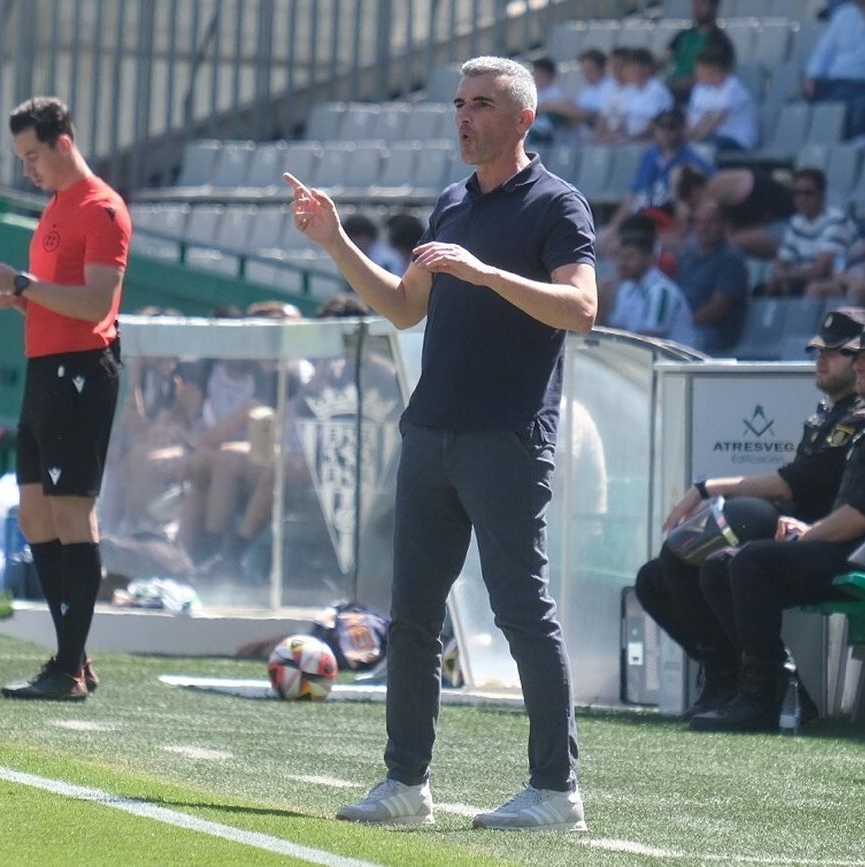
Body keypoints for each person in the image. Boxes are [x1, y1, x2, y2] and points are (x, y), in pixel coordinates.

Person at [284, 55, 595, 831]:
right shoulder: (451, 203)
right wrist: (334, 242)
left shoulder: (558, 203)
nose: (464, 116)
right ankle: (406, 783)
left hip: (506, 435)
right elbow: (402, 307)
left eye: (482, 104)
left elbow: (582, 309)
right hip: (432, 430)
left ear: (522, 118)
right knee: (414, 618)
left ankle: (557, 792)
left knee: (523, 611)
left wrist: (486, 273)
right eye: (459, 102)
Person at [691, 313, 865, 731]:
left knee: (750, 563)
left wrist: (806, 535)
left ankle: (762, 700)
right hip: (856, 552)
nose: (859, 364)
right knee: (720, 565)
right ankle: (777, 686)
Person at [0, 96, 131, 702]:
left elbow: (95, 305)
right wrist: (19, 299)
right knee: (35, 515)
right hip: (45, 369)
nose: (28, 169)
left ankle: (68, 666)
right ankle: (74, 658)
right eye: (21, 158)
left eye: (33, 155)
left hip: (81, 372)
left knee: (70, 513)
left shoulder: (103, 208)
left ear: (64, 143)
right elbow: (57, 296)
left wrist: (24, 285)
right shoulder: (57, 206)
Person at [637, 309, 865, 720]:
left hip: (825, 540)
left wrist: (710, 487)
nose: (822, 360)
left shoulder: (862, 420)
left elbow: (793, 482)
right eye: (820, 351)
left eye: (836, 353)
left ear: (862, 361)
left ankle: (757, 685)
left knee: (719, 564)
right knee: (657, 576)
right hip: (791, 530)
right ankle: (724, 674)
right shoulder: (825, 415)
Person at [802, 0, 865, 139]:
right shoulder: (843, 15)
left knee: (863, 110)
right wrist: (811, 76)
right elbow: (824, 50)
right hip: (832, 82)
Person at [602, 219, 697, 346]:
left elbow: (652, 341)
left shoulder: (662, 291)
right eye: (621, 257)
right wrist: (603, 300)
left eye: (630, 257)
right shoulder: (627, 288)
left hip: (676, 362)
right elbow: (615, 330)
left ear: (650, 258)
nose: (623, 263)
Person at [764, 168, 857, 297]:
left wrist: (785, 276)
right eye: (797, 193)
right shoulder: (795, 223)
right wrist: (781, 278)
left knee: (814, 289)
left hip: (841, 285)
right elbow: (781, 265)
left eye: (808, 193)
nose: (802, 199)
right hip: (805, 283)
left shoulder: (837, 221)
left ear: (822, 195)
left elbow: (820, 271)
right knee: (767, 289)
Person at [673, 198, 749, 355]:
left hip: (715, 334)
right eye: (698, 222)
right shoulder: (688, 257)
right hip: (685, 327)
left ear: (724, 224)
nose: (702, 228)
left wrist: (683, 325)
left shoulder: (731, 258)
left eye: (710, 222)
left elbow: (719, 307)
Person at [684, 43, 757, 153]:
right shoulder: (700, 89)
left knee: (702, 149)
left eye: (700, 69)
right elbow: (699, 120)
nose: (696, 72)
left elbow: (715, 121)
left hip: (736, 140)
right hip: (711, 138)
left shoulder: (733, 87)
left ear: (714, 70)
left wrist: (692, 143)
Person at [598, 48, 672, 144]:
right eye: (627, 68)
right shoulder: (630, 91)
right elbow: (622, 121)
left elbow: (653, 125)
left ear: (646, 68)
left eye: (632, 68)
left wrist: (630, 140)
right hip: (629, 141)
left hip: (650, 142)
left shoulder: (657, 90)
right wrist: (615, 136)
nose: (627, 71)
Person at [664, 0, 735, 100]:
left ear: (714, 7)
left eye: (702, 3)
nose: (697, 8)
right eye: (695, 3)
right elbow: (664, 57)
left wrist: (680, 84)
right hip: (673, 88)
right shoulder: (683, 35)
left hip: (699, 93)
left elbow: (714, 75)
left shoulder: (720, 41)